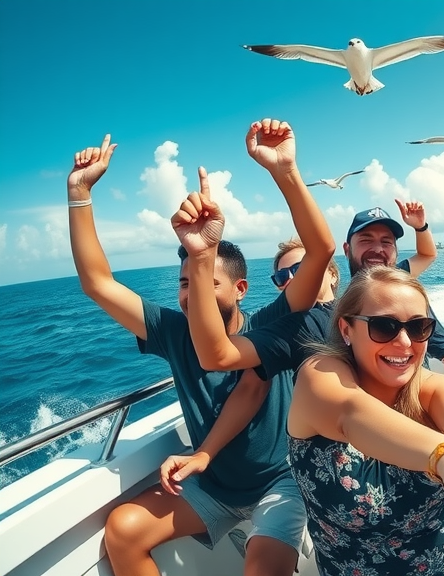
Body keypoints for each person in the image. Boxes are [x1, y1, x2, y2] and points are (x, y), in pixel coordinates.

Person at [174, 179, 444, 573]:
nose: (404, 342)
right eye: (384, 328)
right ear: (346, 329)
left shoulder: (429, 386)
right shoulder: (317, 367)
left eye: (419, 327)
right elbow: (350, 412)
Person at [70, 119, 334, 576]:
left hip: (281, 482)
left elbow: (320, 252)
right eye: (184, 283)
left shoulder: (271, 326)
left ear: (241, 289)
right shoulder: (173, 331)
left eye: (207, 280)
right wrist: (79, 194)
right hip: (211, 485)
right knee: (124, 530)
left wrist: (285, 170)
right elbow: (97, 283)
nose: (190, 294)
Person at [344, 204, 444, 380]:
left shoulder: (405, 297)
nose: (378, 249)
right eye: (366, 240)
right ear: (346, 249)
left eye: (386, 242)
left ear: (396, 251)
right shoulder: (340, 308)